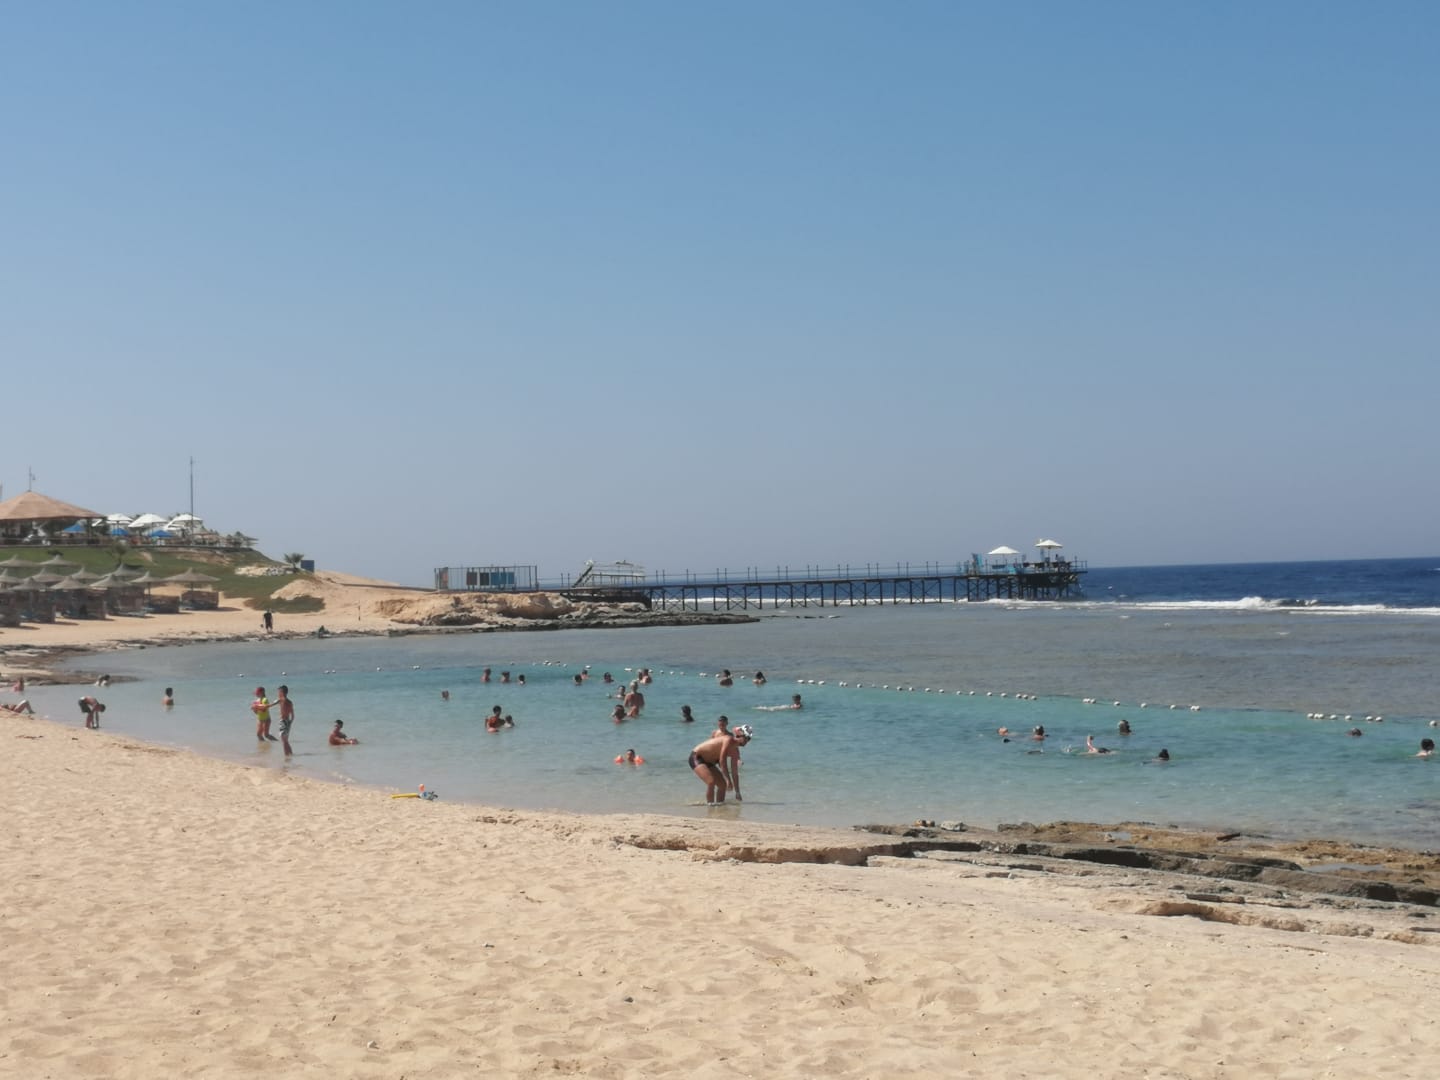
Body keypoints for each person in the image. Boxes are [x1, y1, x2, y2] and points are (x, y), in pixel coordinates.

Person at [688, 725, 752, 805]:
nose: (747, 741)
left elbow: (734, 772)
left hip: (709, 762)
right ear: (740, 735)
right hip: (697, 757)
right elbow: (722, 760)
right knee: (711, 781)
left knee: (723, 785)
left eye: (749, 739)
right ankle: (710, 806)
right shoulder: (728, 740)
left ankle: (720, 807)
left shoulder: (735, 751)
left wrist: (737, 792)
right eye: (746, 738)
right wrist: (728, 779)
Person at [275, 685, 295, 757]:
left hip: (283, 722)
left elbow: (269, 705)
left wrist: (258, 706)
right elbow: (292, 715)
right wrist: (290, 722)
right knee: (285, 741)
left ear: (281, 692)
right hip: (287, 722)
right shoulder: (290, 702)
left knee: (284, 741)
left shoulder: (280, 700)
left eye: (279, 692)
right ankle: (290, 755)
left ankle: (286, 756)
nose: (278, 694)